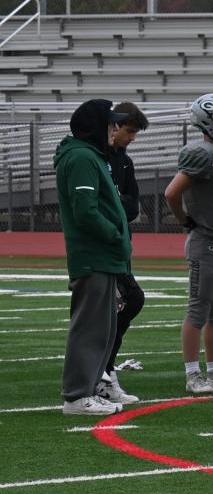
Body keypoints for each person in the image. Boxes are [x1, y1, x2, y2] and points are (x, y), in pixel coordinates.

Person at [56, 100, 136, 416]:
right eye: (110, 123)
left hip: (105, 256)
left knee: (102, 328)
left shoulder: (93, 156)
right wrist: (115, 236)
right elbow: (85, 211)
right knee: (89, 327)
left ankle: (88, 389)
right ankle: (77, 395)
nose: (115, 129)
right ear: (95, 126)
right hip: (94, 256)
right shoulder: (80, 158)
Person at [167, 94, 213, 395]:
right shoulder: (200, 152)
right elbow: (171, 192)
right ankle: (193, 373)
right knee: (198, 310)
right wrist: (185, 220)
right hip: (206, 239)